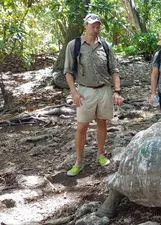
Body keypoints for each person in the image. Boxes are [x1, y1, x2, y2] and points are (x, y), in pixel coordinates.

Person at [64, 13, 123, 176]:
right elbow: (68, 71)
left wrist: (117, 90)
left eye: (98, 26)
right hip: (84, 90)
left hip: (104, 89)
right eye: (93, 26)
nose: (95, 29)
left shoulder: (105, 45)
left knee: (102, 122)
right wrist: (74, 92)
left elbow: (114, 70)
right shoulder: (74, 45)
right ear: (85, 25)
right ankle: (78, 161)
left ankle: (100, 154)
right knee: (82, 125)